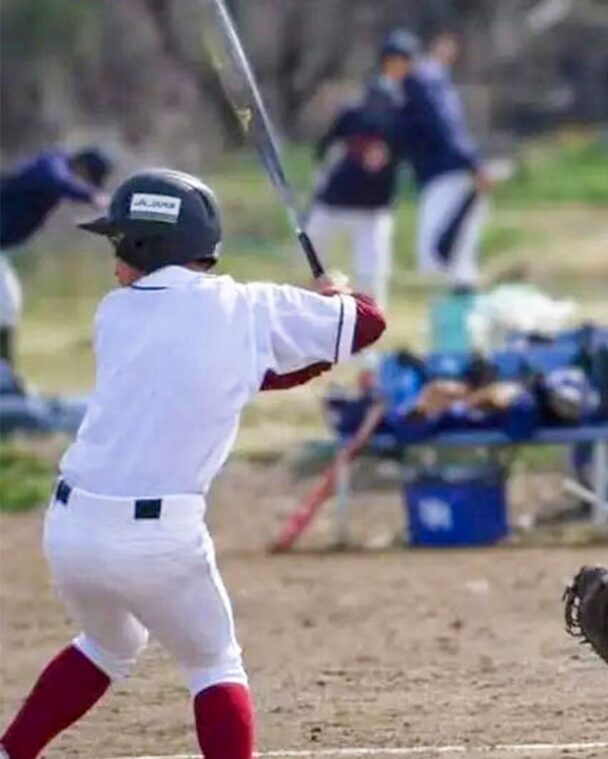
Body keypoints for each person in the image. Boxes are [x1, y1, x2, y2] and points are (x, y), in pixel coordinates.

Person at [0, 168, 385, 759]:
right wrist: (336, 299)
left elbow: (244, 371)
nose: (115, 260)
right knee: (213, 661)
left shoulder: (116, 314)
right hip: (157, 538)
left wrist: (319, 335)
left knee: (109, 644)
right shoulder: (245, 307)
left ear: (152, 246)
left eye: (122, 244)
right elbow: (368, 324)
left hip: (71, 531)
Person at [306, 29, 419, 313]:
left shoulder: (414, 111)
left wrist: (390, 151)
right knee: (310, 256)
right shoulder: (357, 111)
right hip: (338, 200)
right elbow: (324, 149)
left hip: (375, 206)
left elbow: (414, 147)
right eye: (393, 61)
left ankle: (368, 331)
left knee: (372, 274)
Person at [0, 147, 111, 368]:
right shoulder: (51, 164)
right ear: (81, 166)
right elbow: (53, 179)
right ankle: (6, 377)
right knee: (6, 306)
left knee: (7, 307)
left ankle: (6, 375)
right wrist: (89, 196)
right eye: (88, 179)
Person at [403, 28, 491, 292]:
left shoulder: (427, 79)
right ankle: (457, 309)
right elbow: (446, 125)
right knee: (448, 251)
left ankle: (457, 313)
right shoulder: (429, 78)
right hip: (447, 169)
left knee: (447, 252)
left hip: (440, 170)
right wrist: (473, 162)